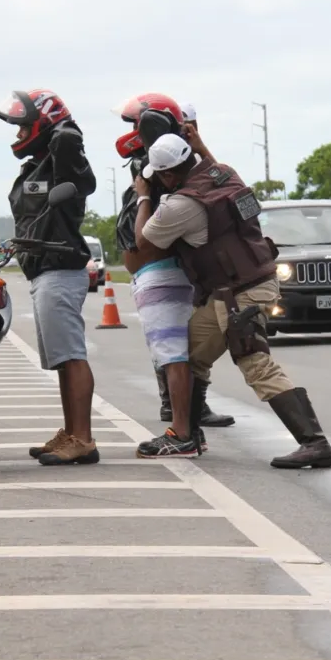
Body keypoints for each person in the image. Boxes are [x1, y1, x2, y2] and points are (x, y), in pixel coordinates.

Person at [131, 132, 331, 469]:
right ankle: (186, 435)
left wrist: (142, 197)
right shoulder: (224, 174)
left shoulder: (180, 205)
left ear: (168, 175)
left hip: (240, 292)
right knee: (193, 355)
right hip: (244, 285)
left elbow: (143, 240)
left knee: (254, 361)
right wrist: (200, 146)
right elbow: (214, 171)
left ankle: (314, 443)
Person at [111, 94, 234, 430]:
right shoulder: (153, 166)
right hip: (159, 272)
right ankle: (181, 412)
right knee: (175, 350)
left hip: (168, 271)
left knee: (178, 349)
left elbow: (219, 183)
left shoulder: (168, 168)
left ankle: (185, 415)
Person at [0, 88, 100, 466]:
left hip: (61, 267)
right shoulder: (36, 167)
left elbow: (70, 142)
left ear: (42, 124)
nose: (18, 135)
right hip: (42, 272)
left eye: (23, 127)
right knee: (60, 358)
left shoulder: (64, 158)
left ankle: (83, 438)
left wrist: (59, 125)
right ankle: (71, 432)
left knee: (71, 356)